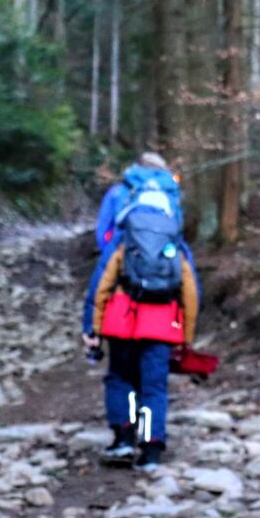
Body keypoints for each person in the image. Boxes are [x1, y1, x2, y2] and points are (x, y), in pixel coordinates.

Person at [81, 152, 199, 471]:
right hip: (162, 323)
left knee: (121, 379)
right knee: (154, 387)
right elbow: (190, 288)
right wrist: (184, 338)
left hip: (121, 321)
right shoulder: (173, 231)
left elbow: (100, 285)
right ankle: (150, 449)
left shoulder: (122, 227)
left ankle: (123, 437)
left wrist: (90, 328)